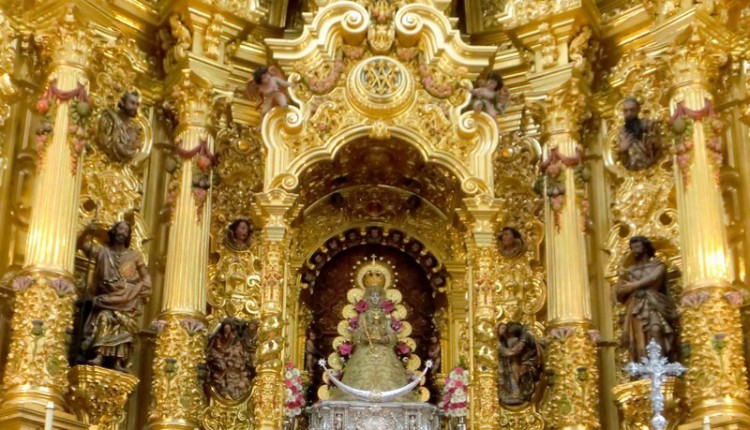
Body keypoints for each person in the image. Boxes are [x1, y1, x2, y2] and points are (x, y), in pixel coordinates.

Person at [331, 265, 416, 402]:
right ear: (368, 297)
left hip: (384, 351)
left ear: (382, 297)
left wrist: (385, 339)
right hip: (365, 351)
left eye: (377, 296)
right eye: (372, 296)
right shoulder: (363, 316)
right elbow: (357, 337)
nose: (375, 298)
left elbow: (392, 336)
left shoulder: (386, 316)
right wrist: (364, 337)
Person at [78, 221, 151, 372]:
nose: (122, 232)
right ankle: (99, 355)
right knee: (104, 317)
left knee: (124, 323)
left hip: (127, 299)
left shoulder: (134, 256)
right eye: (120, 228)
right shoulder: (103, 252)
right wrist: (87, 231)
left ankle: (118, 360)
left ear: (128, 235)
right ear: (114, 231)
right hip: (107, 298)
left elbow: (146, 278)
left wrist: (140, 289)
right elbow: (81, 245)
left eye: (126, 230)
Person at [616, 236, 678, 362]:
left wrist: (634, 285)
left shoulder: (658, 265)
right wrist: (622, 278)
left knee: (656, 329)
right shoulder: (629, 271)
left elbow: (653, 278)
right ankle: (643, 365)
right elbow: (620, 292)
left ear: (645, 248)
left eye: (637, 247)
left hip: (654, 303)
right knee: (639, 337)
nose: (634, 250)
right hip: (636, 307)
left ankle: (661, 365)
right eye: (632, 248)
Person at [205, 318, 258, 400]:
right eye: (225, 329)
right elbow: (218, 348)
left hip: (236, 368)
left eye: (228, 329)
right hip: (223, 360)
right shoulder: (219, 338)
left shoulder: (235, 339)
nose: (227, 331)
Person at [496, 322, 543, 406]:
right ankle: (515, 392)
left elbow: (514, 352)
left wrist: (501, 348)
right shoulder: (507, 340)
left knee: (516, 372)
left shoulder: (525, 336)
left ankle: (518, 393)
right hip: (518, 362)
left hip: (529, 363)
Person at [96, 91, 144, 163]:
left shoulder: (134, 129)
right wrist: (130, 147)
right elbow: (105, 143)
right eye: (132, 103)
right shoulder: (110, 120)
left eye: (137, 104)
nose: (135, 107)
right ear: (122, 102)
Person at [618, 97, 660, 171]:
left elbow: (657, 149)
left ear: (638, 110)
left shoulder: (649, 125)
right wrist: (623, 150)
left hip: (651, 168)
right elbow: (624, 163)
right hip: (632, 171)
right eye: (626, 111)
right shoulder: (622, 132)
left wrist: (650, 142)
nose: (629, 113)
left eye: (632, 110)